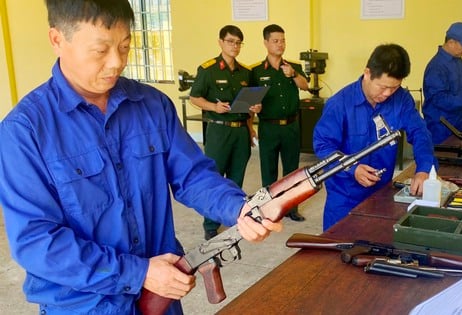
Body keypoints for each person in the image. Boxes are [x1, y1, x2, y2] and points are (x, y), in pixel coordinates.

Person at [0, 1, 281, 314]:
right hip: (84, 305)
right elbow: (36, 242)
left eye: (125, 46)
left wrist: (239, 207)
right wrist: (140, 273)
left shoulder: (152, 105)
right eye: (100, 50)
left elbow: (192, 175)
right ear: (57, 40)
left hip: (162, 299)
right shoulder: (25, 131)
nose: (116, 63)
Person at [313, 44, 437, 231]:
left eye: (394, 88)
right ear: (367, 73)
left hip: (382, 196)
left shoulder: (401, 100)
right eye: (383, 87)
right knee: (336, 252)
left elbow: (420, 133)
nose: (387, 94)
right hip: (344, 199)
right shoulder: (339, 104)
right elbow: (323, 146)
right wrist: (352, 169)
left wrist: (424, 169)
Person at [189, 25, 262, 240]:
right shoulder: (208, 69)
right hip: (219, 131)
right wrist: (213, 107)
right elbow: (195, 97)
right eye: (230, 41)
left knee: (236, 177)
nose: (235, 46)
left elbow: (250, 102)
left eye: (238, 42)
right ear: (220, 42)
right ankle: (210, 223)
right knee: (213, 177)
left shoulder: (246, 72)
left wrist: (253, 118)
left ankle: (232, 216)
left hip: (240, 132)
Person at [250, 24, 309, 222]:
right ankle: (269, 208)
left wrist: (293, 74)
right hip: (269, 126)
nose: (280, 44)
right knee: (269, 170)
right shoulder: (256, 71)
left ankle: (292, 208)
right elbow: (250, 101)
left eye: (283, 40)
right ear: (266, 43)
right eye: (275, 41)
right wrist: (252, 119)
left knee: (292, 171)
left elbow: (306, 85)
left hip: (291, 126)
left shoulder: (293, 67)